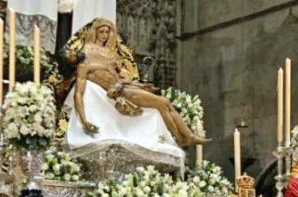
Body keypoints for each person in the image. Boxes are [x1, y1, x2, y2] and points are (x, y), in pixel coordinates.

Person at [64, 18, 208, 147]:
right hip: (122, 93)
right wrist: (84, 121)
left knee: (165, 104)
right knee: (162, 102)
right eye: (101, 32)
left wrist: (134, 82)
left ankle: (186, 137)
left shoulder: (108, 58)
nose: (104, 35)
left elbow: (121, 76)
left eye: (107, 32)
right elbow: (78, 94)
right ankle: (184, 138)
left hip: (126, 87)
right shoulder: (84, 66)